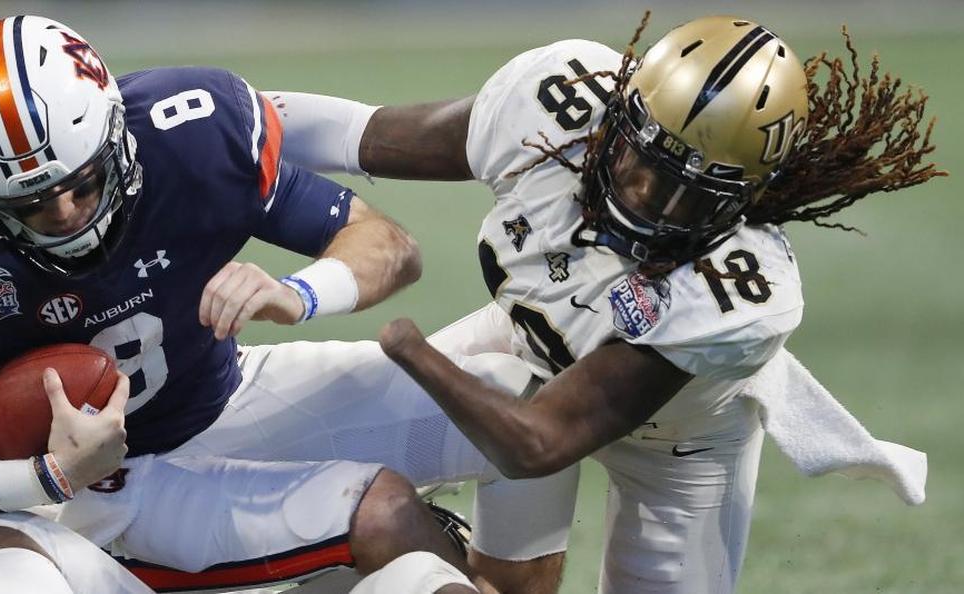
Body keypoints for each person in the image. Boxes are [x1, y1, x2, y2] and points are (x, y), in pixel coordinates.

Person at [268, 13, 943, 593]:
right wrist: (217, 112)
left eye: (693, 193)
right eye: (643, 161)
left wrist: (411, 348)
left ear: (749, 197)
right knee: (324, 466)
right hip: (524, 357)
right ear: (617, 116)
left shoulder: (737, 287)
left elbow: (541, 442)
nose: (648, 197)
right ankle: (437, 554)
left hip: (680, 448)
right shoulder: (557, 110)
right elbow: (359, 136)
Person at [0, 15, 500, 594]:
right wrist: (50, 474)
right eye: (30, 205)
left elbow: (390, 246)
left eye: (82, 185)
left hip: (228, 397)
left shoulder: (188, 134)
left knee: (514, 398)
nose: (63, 216)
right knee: (3, 569)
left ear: (118, 136)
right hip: (109, 485)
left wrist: (300, 292)